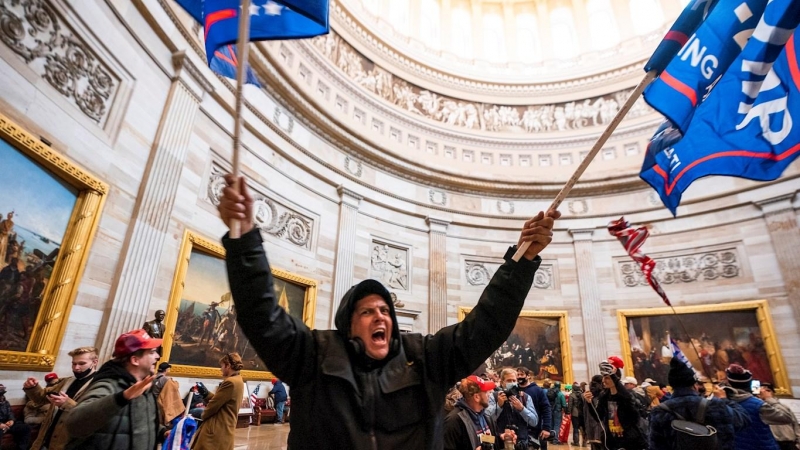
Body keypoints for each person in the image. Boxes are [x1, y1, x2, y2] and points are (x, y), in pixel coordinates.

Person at [217, 174, 560, 449]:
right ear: (347, 324)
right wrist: (244, 238)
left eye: (385, 311)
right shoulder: (315, 356)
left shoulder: (425, 358)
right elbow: (262, 316)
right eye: (367, 312)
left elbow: (485, 324)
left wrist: (522, 259)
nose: (380, 316)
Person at [64, 329, 165, 450]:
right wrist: (122, 398)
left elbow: (134, 421)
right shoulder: (109, 384)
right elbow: (74, 424)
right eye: (152, 352)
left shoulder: (143, 385)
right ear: (135, 360)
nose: (157, 356)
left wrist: (162, 432)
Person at [648, 356, 749, 450]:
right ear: (694, 385)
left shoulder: (659, 412)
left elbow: (655, 446)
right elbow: (744, 419)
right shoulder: (715, 405)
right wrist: (723, 399)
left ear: (672, 386)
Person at [23, 346, 99, 450]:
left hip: (69, 442)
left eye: (81, 364)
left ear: (94, 362)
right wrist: (32, 387)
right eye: (74, 363)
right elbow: (40, 399)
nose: (76, 368)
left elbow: (94, 415)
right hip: (46, 438)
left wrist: (67, 404)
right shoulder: (67, 381)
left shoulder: (98, 384)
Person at [726, 364, 796, 450]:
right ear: (749, 383)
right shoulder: (757, 404)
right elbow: (786, 417)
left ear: (728, 383)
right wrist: (769, 398)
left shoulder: (723, 403)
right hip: (762, 446)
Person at [584, 360, 648, 450]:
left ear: (615, 379)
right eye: (603, 377)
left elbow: (627, 400)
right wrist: (589, 403)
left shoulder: (627, 395)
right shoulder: (604, 396)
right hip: (612, 441)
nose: (603, 380)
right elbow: (598, 416)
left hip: (629, 441)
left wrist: (612, 374)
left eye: (607, 378)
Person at [443, 375, 517, 450]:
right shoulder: (453, 421)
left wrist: (502, 438)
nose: (490, 394)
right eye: (486, 392)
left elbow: (489, 440)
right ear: (476, 397)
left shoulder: (485, 416)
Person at [191, 353, 245, 450]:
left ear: (228, 366)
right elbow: (220, 399)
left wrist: (203, 415)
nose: (221, 369)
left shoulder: (230, 382)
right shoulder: (238, 380)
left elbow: (214, 405)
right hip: (225, 427)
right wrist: (206, 393)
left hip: (217, 428)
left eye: (222, 366)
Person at [486, 368, 539, 447]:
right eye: (509, 380)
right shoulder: (494, 397)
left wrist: (522, 409)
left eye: (514, 380)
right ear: (502, 382)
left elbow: (534, 422)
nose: (512, 383)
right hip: (501, 442)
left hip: (521, 444)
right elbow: (488, 420)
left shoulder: (525, 397)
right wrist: (499, 406)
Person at [518, 367, 552, 449]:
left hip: (534, 429)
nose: (519, 377)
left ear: (528, 376)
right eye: (517, 375)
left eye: (521, 374)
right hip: (518, 431)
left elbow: (546, 409)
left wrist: (546, 428)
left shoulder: (537, 390)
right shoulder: (514, 390)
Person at [758, 382, 800, 450]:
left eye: (768, 390)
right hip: (771, 444)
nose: (765, 392)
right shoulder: (759, 408)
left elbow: (795, 425)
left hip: (789, 443)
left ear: (773, 392)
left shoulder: (783, 407)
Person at [152, 362, 184, 427]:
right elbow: (175, 387)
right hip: (160, 404)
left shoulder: (153, 377)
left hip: (152, 401)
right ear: (166, 369)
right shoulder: (166, 379)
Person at [0, 384, 31, 450]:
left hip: (7, 424)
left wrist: (11, 420)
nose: (2, 397)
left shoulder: (6, 402)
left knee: (25, 428)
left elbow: (10, 413)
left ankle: (21, 448)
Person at [569, 382, 584, 447]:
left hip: (575, 413)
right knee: (583, 428)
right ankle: (584, 443)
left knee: (575, 428)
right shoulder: (583, 395)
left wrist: (568, 412)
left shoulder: (572, 395)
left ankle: (576, 442)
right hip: (582, 413)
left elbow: (570, 405)